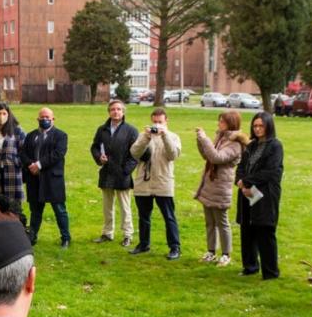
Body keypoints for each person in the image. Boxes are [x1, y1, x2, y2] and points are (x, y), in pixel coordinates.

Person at [194, 110, 246, 267]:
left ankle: (226, 254)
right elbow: (207, 156)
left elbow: (217, 158)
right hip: (210, 185)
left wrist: (205, 139)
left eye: (222, 121)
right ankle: (211, 251)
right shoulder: (221, 136)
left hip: (221, 187)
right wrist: (200, 141)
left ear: (231, 123)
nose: (219, 124)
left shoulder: (236, 142)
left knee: (222, 222)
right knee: (209, 221)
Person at [235, 112, 284, 280]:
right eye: (255, 126)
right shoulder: (251, 146)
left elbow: (270, 171)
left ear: (268, 126)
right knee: (247, 229)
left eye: (261, 126)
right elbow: (241, 166)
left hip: (265, 194)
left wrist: (248, 182)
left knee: (264, 230)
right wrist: (240, 182)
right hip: (246, 193)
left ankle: (270, 271)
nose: (257, 129)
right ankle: (250, 266)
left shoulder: (275, 146)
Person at [129, 108, 182, 260]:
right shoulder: (144, 136)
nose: (157, 125)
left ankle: (175, 247)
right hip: (143, 183)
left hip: (163, 182)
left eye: (160, 122)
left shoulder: (174, 137)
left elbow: (173, 155)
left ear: (166, 122)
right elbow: (134, 152)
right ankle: (143, 244)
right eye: (155, 122)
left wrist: (164, 135)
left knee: (169, 216)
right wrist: (146, 136)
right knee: (143, 216)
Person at [20, 107, 71, 248]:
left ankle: (66, 238)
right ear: (37, 119)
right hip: (34, 179)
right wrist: (31, 164)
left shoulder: (61, 136)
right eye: (42, 117)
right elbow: (23, 153)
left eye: (47, 117)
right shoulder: (30, 136)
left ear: (53, 119)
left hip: (52, 179)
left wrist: (39, 165)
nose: (45, 119)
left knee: (59, 210)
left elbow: (58, 154)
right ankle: (32, 237)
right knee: (35, 211)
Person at [90, 99, 138, 247]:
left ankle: (127, 235)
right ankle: (107, 233)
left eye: (118, 109)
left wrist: (126, 171)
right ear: (109, 112)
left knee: (125, 206)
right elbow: (95, 147)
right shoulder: (102, 129)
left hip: (122, 173)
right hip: (106, 172)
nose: (115, 112)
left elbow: (135, 154)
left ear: (123, 112)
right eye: (113, 109)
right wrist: (99, 157)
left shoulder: (131, 131)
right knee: (107, 206)